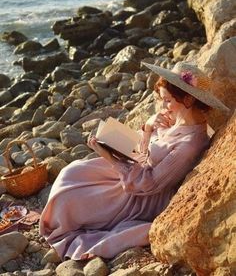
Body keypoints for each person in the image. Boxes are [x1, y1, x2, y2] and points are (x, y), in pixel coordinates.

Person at [39, 61, 230, 261]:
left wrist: (109, 157)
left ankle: (61, 225)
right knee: (72, 171)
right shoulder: (175, 119)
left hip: (141, 194)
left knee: (71, 197)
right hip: (133, 170)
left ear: (189, 99)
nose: (163, 106)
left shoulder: (191, 143)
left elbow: (151, 184)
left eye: (167, 100)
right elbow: (142, 151)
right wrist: (147, 128)